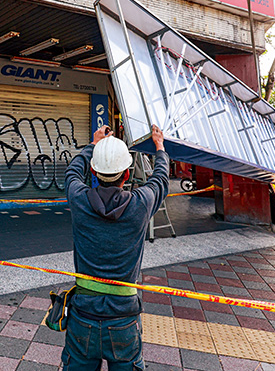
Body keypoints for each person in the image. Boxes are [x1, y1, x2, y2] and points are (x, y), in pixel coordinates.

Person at [61, 125, 169, 371]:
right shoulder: (140, 205)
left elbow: (71, 173)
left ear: (93, 172)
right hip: (124, 319)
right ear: (127, 175)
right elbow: (161, 178)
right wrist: (159, 146)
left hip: (83, 316)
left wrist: (92, 145)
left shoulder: (79, 199)